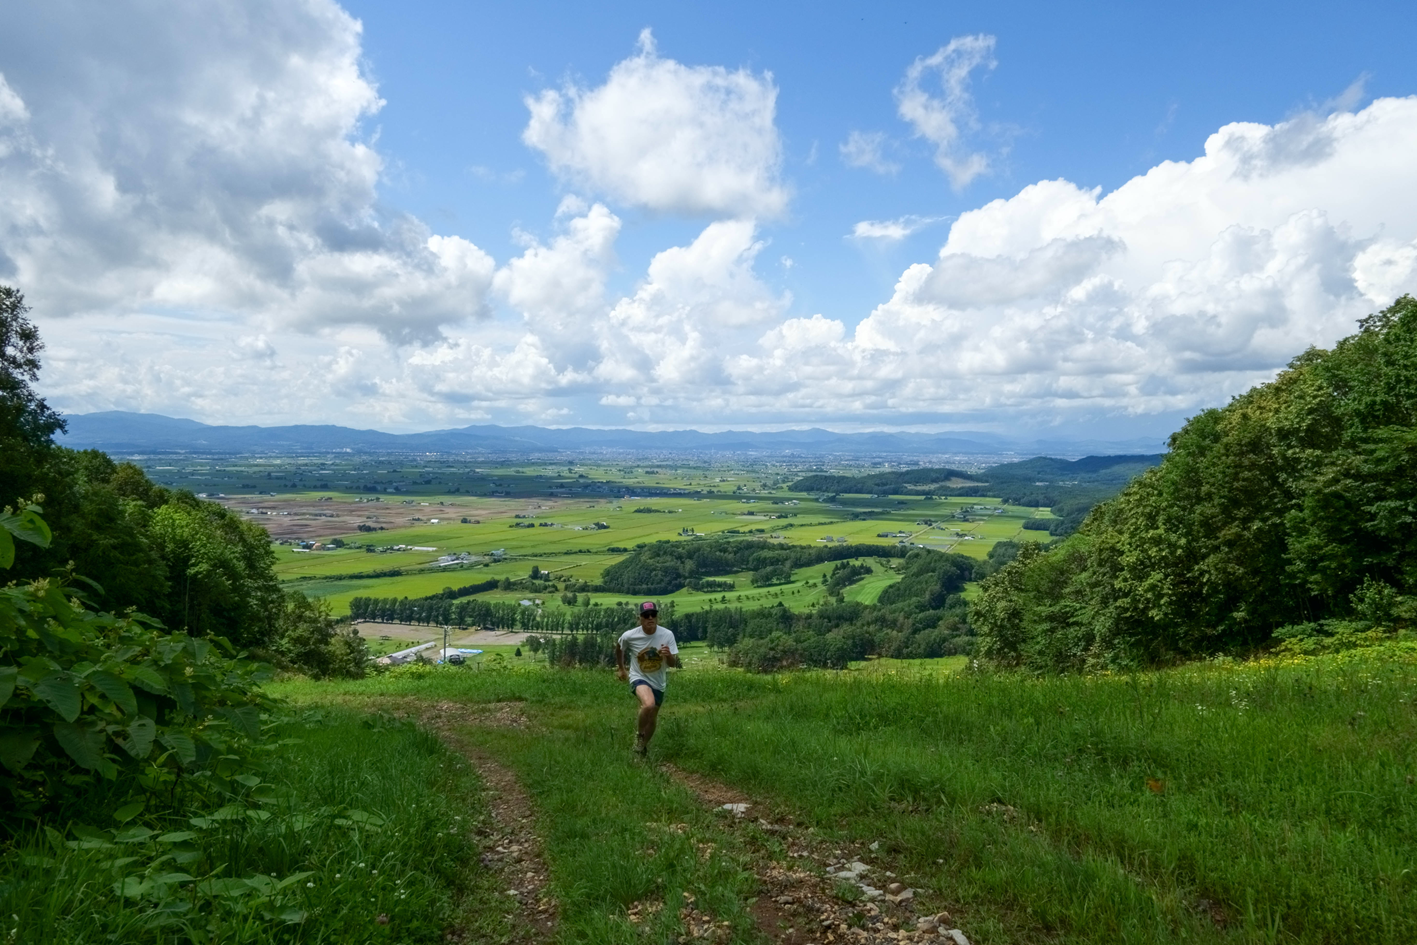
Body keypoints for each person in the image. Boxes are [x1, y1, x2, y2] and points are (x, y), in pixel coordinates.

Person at [615, 600, 680, 756]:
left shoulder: (667, 635)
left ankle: (642, 747)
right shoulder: (630, 636)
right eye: (646, 615)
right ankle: (639, 736)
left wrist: (669, 655)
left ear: (657, 617)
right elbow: (619, 648)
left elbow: (672, 664)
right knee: (649, 704)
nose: (650, 618)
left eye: (653, 615)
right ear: (640, 618)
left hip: (658, 681)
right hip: (639, 677)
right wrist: (622, 669)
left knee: (652, 717)